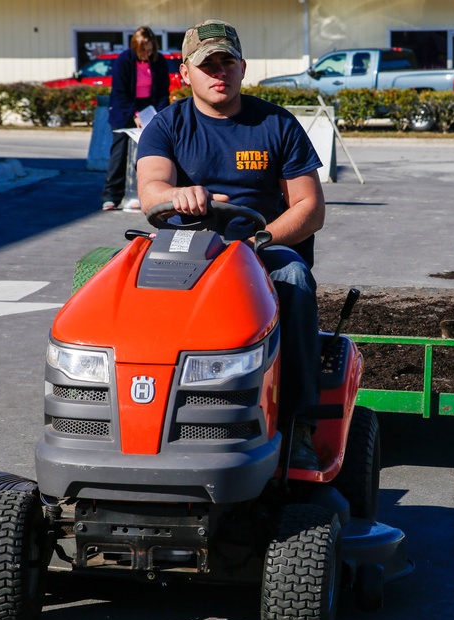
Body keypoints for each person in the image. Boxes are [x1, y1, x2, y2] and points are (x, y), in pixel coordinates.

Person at [136, 19, 324, 471]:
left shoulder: (276, 124)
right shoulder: (167, 126)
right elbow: (150, 191)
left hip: (261, 249)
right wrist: (175, 195)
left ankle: (299, 425)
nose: (219, 72)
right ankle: (142, 415)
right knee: (121, 277)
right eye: (207, 65)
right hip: (186, 249)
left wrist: (261, 240)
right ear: (186, 73)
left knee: (295, 275)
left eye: (227, 62)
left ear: (243, 67)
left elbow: (309, 206)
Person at [101, 26, 170, 211]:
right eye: (142, 51)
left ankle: (144, 195)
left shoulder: (159, 61)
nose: (146, 55)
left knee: (151, 151)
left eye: (149, 50)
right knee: (120, 151)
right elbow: (120, 92)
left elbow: (164, 92)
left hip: (149, 107)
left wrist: (158, 114)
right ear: (134, 48)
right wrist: (135, 115)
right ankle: (111, 196)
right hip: (124, 109)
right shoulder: (124, 60)